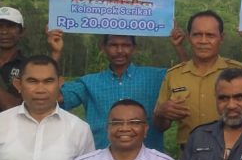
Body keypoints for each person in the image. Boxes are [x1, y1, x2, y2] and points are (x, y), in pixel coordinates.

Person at [48, 30, 186, 152]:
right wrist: (55, 52)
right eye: (113, 45)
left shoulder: (156, 77)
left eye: (126, 45)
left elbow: (188, 77)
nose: (120, 50)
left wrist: (179, 47)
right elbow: (53, 98)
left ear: (134, 48)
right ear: (103, 47)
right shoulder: (88, 82)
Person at [153, 11, 242, 150]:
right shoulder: (174, 75)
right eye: (197, 35)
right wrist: (161, 112)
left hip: (232, 153)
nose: (203, 41)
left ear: (221, 38)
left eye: (210, 35)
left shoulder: (238, 71)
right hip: (189, 156)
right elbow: (160, 126)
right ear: (189, 37)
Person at [0, 6, 28, 111]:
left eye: (10, 26)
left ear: (22, 31)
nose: (4, 32)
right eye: (0, 26)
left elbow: (15, 107)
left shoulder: (28, 66)